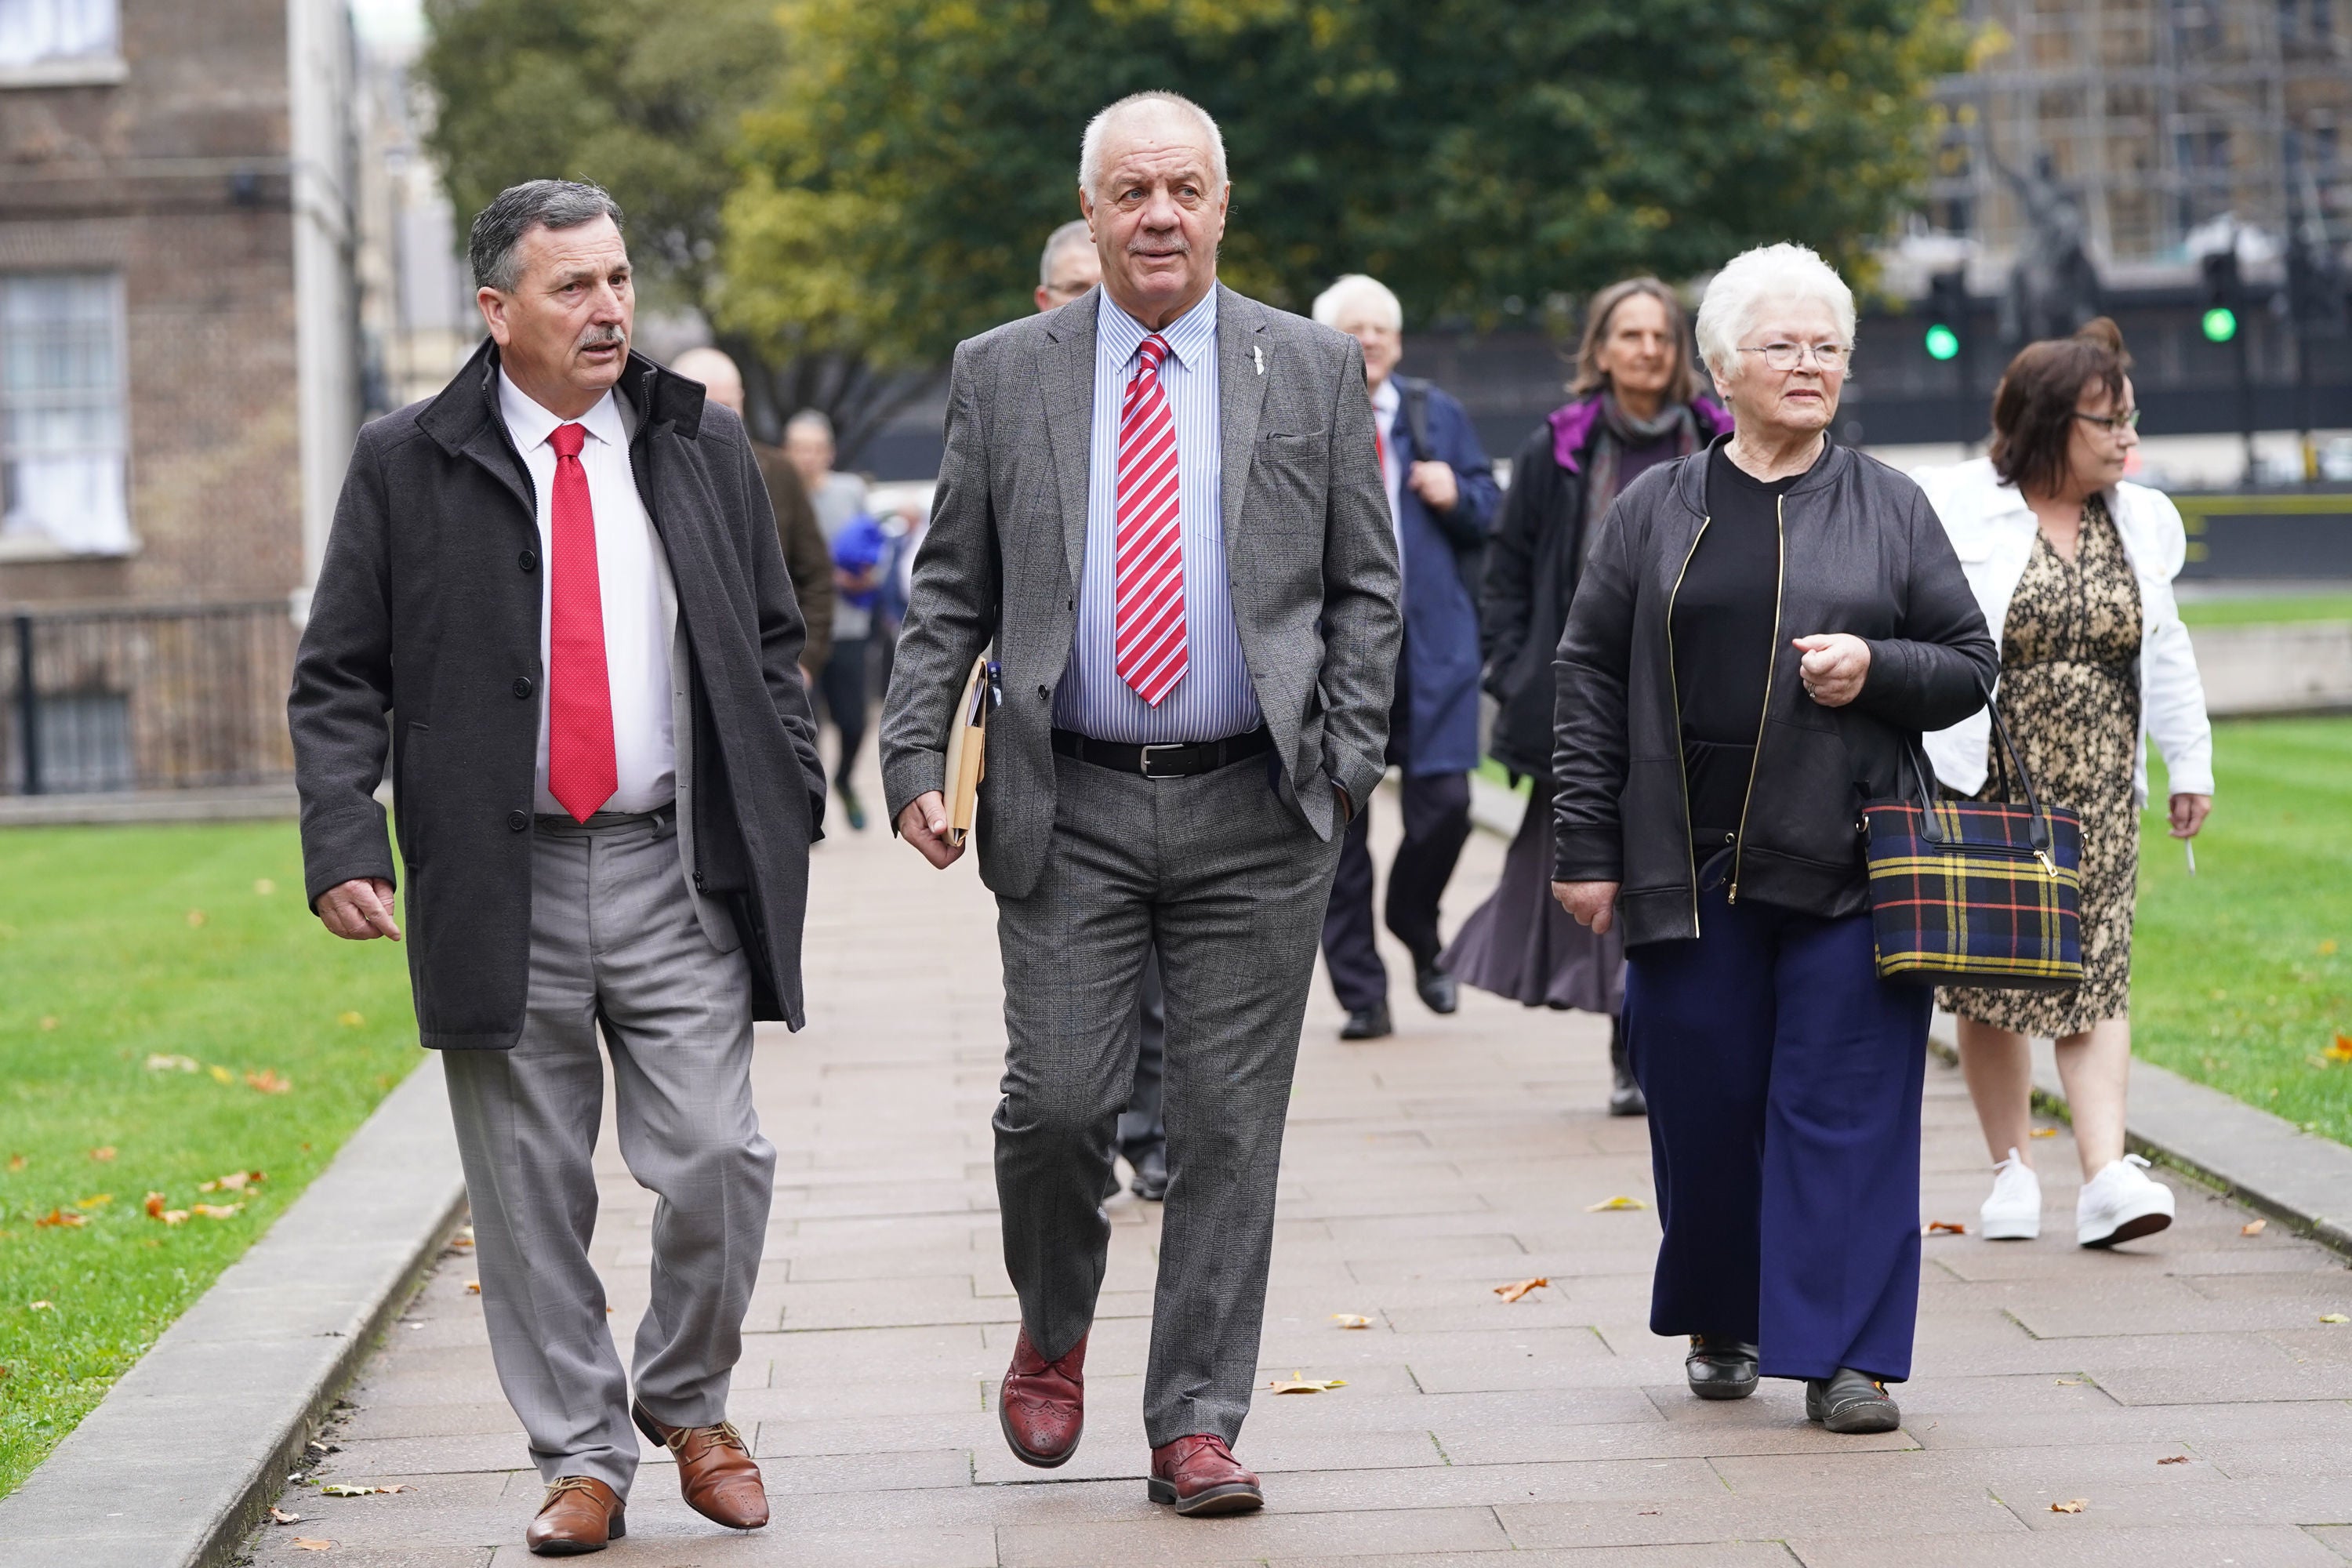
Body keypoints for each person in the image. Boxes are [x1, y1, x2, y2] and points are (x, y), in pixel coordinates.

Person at [878, 91, 1398, 1515]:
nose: (1158, 215)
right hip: (1072, 804)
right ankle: (1054, 1323)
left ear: (1222, 206)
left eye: (1183, 189)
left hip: (1257, 804)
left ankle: (1195, 1421)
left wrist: (1342, 763)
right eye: (1130, 193)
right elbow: (948, 593)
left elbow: (1366, 587)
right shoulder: (1006, 372)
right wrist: (913, 755)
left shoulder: (1307, 368)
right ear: (1093, 215)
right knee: (1054, 1108)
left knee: (1230, 1126)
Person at [289, 180, 825, 1555]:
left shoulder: (696, 443)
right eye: (573, 287)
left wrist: (787, 782)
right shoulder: (409, 459)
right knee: (531, 1195)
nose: (607, 310)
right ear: (497, 310)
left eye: (619, 281)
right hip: (496, 873)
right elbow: (340, 673)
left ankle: (689, 1399)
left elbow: (773, 639)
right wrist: (346, 835)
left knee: (718, 1154)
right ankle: (583, 1457)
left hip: (670, 863)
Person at [1550, 242, 1996, 1436]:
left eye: (1828, 348)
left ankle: (1846, 1355)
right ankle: (1724, 1312)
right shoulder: (1656, 507)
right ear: (1723, 369)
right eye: (1782, 346)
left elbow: (1968, 664)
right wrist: (1585, 844)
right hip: (1685, 867)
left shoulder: (1892, 505)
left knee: (1847, 1106)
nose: (1810, 366)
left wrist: (1877, 668)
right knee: (1705, 1108)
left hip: (1849, 859)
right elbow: (1588, 671)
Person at [1915, 318, 2213, 1248]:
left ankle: (2104, 1173)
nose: (2129, 439)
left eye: (2130, 419)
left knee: (2097, 973)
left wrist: (2188, 762)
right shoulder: (1958, 502)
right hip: (1992, 776)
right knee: (1995, 979)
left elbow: (2167, 654)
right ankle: (2012, 1169)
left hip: (2101, 788)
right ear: (2048, 424)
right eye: (2108, 423)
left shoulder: (2144, 516)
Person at [1443, 278, 1731, 1111]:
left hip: (1698, 692)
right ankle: (1628, 1044)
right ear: (1600, 350)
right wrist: (1513, 669)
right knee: (1606, 866)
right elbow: (1508, 572)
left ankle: (1675, 1031)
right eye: (1629, 334)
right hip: (1592, 697)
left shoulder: (1717, 440)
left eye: (1661, 336)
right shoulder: (1557, 449)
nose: (1647, 349)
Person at [1310, 274, 1500, 1040]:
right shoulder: (1305, 411)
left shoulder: (1435, 414)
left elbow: (1492, 511)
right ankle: (1362, 991)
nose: (1372, 340)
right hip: (1335, 656)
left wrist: (1459, 492)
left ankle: (1416, 927)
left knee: (1447, 808)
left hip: (1434, 650)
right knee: (1337, 829)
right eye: (1354, 328)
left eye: (1383, 327)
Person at [1034, 218, 1170, 1200]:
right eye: (1076, 284)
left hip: (1223, 773)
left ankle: (1154, 1131)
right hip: (1071, 776)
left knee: (1174, 992)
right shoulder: (1009, 389)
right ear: (1048, 299)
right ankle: (1092, 1134)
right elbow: (955, 582)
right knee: (1060, 1067)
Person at [672, 345, 837, 682]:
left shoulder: (777, 471)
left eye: (727, 407)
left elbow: (816, 574)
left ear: (742, 401)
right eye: (705, 408)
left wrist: (802, 663)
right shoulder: (651, 472)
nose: (715, 421)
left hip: (771, 673)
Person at [787, 408, 877, 827]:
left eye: (815, 449)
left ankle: (844, 779)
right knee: (808, 725)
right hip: (799, 632)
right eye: (799, 449)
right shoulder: (777, 491)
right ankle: (813, 804)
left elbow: (876, 544)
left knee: (854, 722)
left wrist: (866, 575)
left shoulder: (850, 491)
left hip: (849, 626)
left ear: (830, 453)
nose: (808, 457)